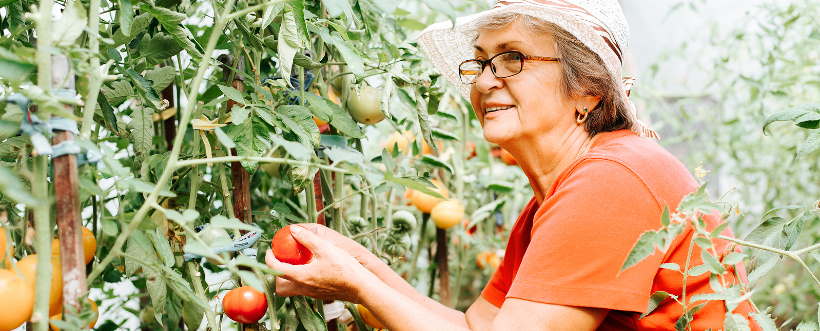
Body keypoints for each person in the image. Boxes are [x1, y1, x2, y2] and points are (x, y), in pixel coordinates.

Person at [265, 0, 759, 329]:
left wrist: (355, 284)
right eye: (480, 62)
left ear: (586, 89)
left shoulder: (612, 180)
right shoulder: (553, 201)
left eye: (513, 59)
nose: (484, 81)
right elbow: (471, 326)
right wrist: (361, 267)